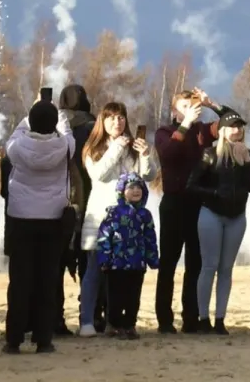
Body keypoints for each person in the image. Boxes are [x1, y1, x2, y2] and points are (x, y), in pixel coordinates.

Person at [154, 88, 231, 334]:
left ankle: (191, 318)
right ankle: (165, 320)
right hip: (173, 203)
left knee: (195, 264)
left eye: (193, 106)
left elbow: (233, 122)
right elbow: (168, 155)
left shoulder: (203, 131)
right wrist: (186, 124)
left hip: (199, 204)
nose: (191, 110)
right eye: (184, 107)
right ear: (174, 111)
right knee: (168, 263)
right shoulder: (165, 132)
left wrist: (212, 104)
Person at [78, 101, 156, 337]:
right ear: (102, 121)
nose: (117, 122)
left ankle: (118, 322)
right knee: (94, 270)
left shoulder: (131, 147)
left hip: (128, 222)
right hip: (101, 216)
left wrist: (144, 155)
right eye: (111, 118)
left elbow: (147, 177)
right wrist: (116, 149)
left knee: (122, 275)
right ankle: (86, 321)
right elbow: (98, 174)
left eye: (121, 117)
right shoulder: (94, 147)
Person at [4, 94, 74, 353]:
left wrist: (31, 110)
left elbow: (17, 131)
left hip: (21, 218)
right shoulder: (65, 146)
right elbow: (66, 130)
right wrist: (60, 113)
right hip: (53, 218)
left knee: (20, 281)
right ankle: (44, 339)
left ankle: (13, 339)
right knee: (48, 280)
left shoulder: (17, 145)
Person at [188, 110, 250, 335]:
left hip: (237, 216)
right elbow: (192, 185)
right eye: (232, 126)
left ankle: (220, 319)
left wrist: (247, 162)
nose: (237, 130)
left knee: (226, 268)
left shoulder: (248, 153)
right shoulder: (210, 153)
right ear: (223, 130)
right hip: (211, 212)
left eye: (240, 126)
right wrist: (216, 192)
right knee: (209, 265)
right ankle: (203, 318)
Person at [94, 173, 160, 340]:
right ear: (122, 191)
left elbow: (150, 238)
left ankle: (129, 325)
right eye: (131, 187)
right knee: (115, 296)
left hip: (137, 264)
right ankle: (113, 324)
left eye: (139, 187)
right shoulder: (114, 213)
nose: (136, 190)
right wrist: (104, 259)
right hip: (116, 265)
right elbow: (104, 236)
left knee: (133, 297)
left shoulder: (145, 215)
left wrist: (152, 258)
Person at [56, 83, 94, 337]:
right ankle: (91, 316)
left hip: (59, 199)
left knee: (56, 263)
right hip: (90, 198)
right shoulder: (93, 127)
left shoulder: (55, 125)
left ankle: (54, 318)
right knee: (88, 261)